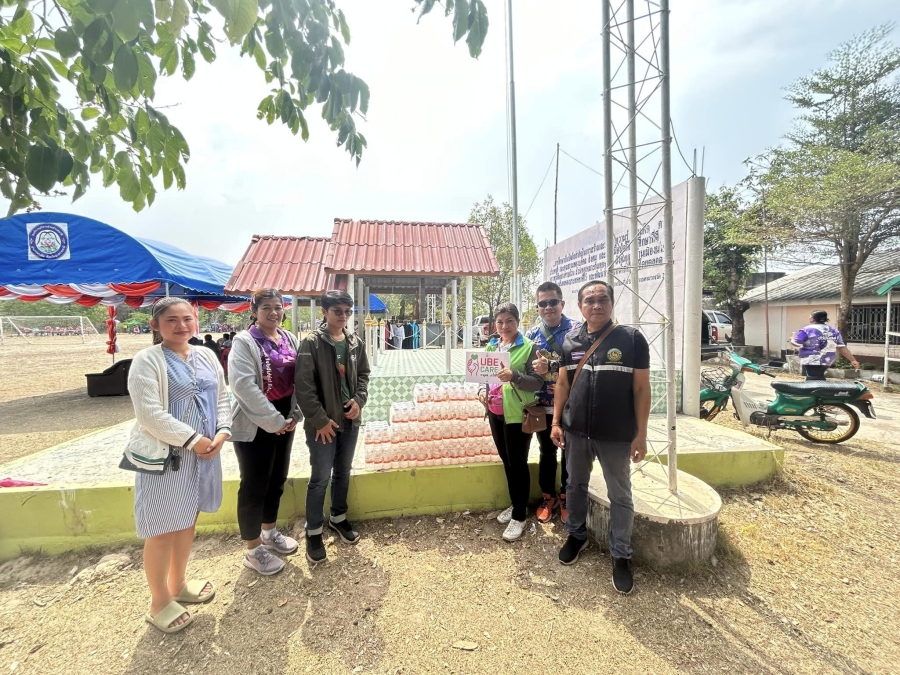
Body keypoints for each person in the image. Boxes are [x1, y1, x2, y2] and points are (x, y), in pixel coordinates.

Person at [124, 297, 232, 633]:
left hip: (204, 456)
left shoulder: (206, 355)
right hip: (167, 458)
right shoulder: (146, 361)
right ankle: (158, 602)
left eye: (188, 318)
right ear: (155, 325)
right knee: (160, 528)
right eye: (172, 319)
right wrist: (193, 439)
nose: (182, 325)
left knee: (187, 519)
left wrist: (223, 431)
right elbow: (150, 414)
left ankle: (178, 583)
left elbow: (223, 398)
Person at [550, 280, 650, 595]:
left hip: (617, 434)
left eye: (602, 299)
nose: (596, 305)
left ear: (611, 303)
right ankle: (576, 535)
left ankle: (621, 555)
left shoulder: (632, 339)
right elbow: (563, 385)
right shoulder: (570, 341)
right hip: (576, 431)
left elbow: (641, 388)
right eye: (589, 300)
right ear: (580, 307)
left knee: (620, 495)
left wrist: (641, 434)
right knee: (574, 485)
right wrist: (556, 421)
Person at [229, 289, 302, 576]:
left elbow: (300, 377)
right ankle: (252, 549)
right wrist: (274, 421)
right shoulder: (245, 342)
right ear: (254, 310)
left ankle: (270, 533)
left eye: (278, 307)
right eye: (267, 307)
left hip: (286, 419)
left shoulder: (289, 338)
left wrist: (294, 414)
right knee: (254, 484)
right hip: (255, 421)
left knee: (277, 478)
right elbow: (243, 386)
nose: (274, 312)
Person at [296, 290, 371, 563]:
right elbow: (304, 387)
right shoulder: (312, 344)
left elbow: (363, 375)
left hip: (349, 420)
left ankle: (338, 517)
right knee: (319, 478)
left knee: (343, 472)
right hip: (322, 426)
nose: (343, 316)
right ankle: (313, 530)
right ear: (325, 312)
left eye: (347, 312)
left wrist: (359, 400)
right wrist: (319, 420)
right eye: (337, 311)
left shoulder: (354, 342)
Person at [479, 303, 544, 542]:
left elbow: (538, 382)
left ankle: (520, 516)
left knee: (518, 463)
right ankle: (516, 504)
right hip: (495, 413)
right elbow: (483, 378)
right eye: (499, 322)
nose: (504, 326)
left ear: (518, 322)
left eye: (509, 321)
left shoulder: (528, 348)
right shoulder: (491, 346)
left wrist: (514, 376)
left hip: (517, 415)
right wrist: (481, 392)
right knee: (507, 462)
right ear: (494, 324)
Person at [526, 281, 581, 524]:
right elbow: (526, 370)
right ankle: (547, 497)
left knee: (569, 453)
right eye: (542, 303)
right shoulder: (531, 335)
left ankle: (566, 497)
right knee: (546, 452)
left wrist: (553, 366)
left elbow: (581, 366)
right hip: (542, 406)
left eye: (552, 302)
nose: (548, 307)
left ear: (562, 304)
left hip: (571, 404)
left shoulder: (577, 330)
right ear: (538, 307)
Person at [791, 310, 859, 380]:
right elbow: (841, 347)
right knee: (817, 376)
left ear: (812, 318)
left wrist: (792, 339)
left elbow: (796, 343)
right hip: (827, 360)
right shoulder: (834, 331)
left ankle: (819, 390)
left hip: (811, 359)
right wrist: (853, 360)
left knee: (814, 378)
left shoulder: (806, 330)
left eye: (810, 316)